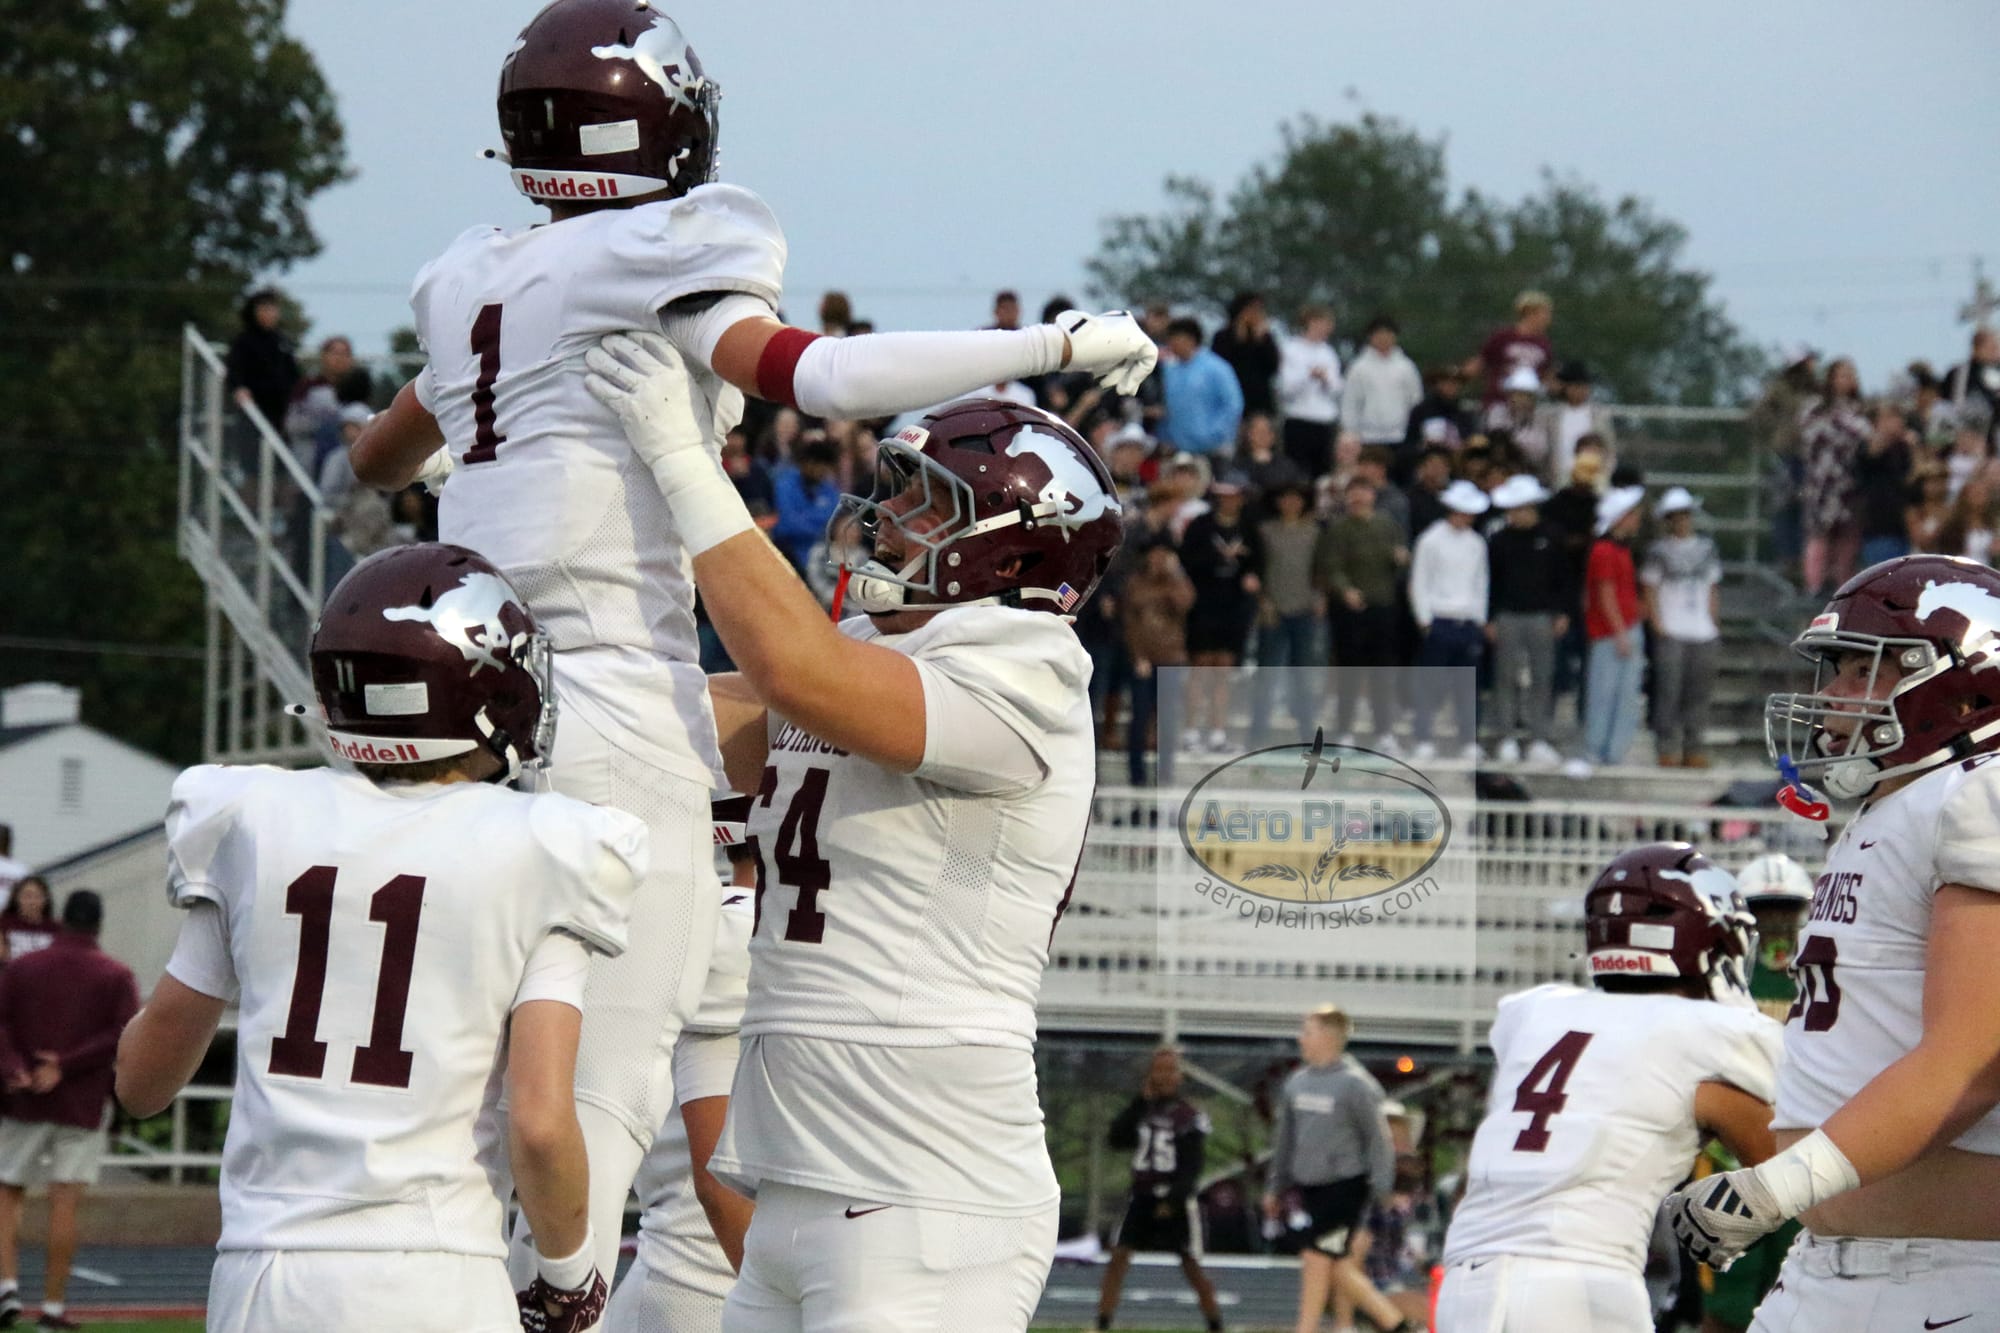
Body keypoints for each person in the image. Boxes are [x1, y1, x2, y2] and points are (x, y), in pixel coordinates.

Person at [347, 1, 1157, 1283]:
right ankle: (541, 1289)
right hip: (614, 705)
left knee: (470, 1100)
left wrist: (501, 448)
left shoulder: (470, 275)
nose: (885, 521)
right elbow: (818, 378)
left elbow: (379, 455)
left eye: (925, 507)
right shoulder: (662, 254)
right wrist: (1050, 344)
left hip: (487, 698)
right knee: (583, 1105)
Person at [583, 339, 1122, 1331]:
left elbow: (793, 671)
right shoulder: (869, 649)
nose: (889, 518)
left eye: (927, 503)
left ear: (1015, 550)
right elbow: (669, 720)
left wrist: (683, 463)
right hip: (801, 1178)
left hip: (926, 1182)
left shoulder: (1030, 666)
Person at [111, 544, 645, 1333]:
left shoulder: (253, 820)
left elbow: (141, 1082)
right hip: (431, 1271)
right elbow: (538, 1119)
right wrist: (569, 1277)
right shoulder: (544, 846)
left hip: (263, 1277)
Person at [1664, 554, 2000, 1328]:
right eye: (1836, 669)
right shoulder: (1895, 807)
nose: (1833, 695)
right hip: (1829, 1267)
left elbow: (1975, 1060)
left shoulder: (1978, 790)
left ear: (1963, 682)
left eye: (1862, 669)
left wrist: (1779, 1185)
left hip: (1942, 1276)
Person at [1435, 844, 1779, 1332]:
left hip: (1466, 1284)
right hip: (1579, 1284)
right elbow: (1796, 1173)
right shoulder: (1705, 1033)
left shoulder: (1537, 1014)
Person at [603, 854, 755, 1333]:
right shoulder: (741, 932)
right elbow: (720, 1184)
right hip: (714, 1289)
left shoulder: (679, 922)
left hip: (684, 1279)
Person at [0, 892, 138, 1332]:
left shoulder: (22, 967)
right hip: (81, 1101)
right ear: (98, 925)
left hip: (24, 1098)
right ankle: (53, 1308)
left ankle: (6, 1286)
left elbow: (2, 1022)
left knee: (7, 1191)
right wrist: (66, 1064)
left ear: (61, 919)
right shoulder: (116, 974)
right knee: (64, 1202)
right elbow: (122, 1033)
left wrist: (15, 1067)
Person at [1697, 853, 1815, 1333]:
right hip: (1730, 1155)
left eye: (1786, 909)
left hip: (1802, 1149)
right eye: (1765, 910)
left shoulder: (1820, 970)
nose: (1776, 922)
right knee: (1727, 1299)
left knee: (1793, 1289)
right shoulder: (1718, 974)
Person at [1264, 1006, 1418, 1333]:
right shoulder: (1296, 1084)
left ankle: (1306, 1329)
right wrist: (1275, 1187)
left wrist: (1381, 1188)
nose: (1301, 1039)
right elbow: (1285, 1140)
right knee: (1337, 1267)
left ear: (1329, 1037)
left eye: (1308, 1032)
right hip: (1311, 1190)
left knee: (1316, 1258)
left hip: (1345, 1189)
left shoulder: (1356, 1085)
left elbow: (1377, 1140)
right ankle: (1397, 1325)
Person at [1095, 1047, 1225, 1333]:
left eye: (1170, 1071)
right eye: (1159, 1070)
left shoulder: (1188, 1116)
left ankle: (1215, 1323)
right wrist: (1139, 1101)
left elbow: (1192, 1166)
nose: (1164, 1077)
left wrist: (1175, 1198)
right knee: (1118, 1257)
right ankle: (1102, 1323)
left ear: (1180, 1076)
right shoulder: (1142, 1109)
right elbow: (1116, 1138)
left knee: (1191, 1263)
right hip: (1142, 1195)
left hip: (1174, 1198)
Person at [1314, 475, 1406, 750]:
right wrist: (1345, 590)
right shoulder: (1338, 529)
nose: (1358, 498)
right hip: (1348, 609)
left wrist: (1401, 559)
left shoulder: (1387, 525)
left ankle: (1384, 732)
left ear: (1372, 496)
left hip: (1382, 605)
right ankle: (1345, 731)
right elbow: (1331, 565)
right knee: (1349, 670)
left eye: (1363, 492)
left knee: (1382, 671)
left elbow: (1399, 561)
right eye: (1353, 493)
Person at [1484, 475, 1569, 767]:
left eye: (1522, 508)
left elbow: (1562, 578)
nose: (1516, 513)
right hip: (1508, 615)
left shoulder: (1552, 536)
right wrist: (1491, 617)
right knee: (1505, 677)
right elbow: (1492, 582)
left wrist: (1561, 612)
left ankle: (1538, 738)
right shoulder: (1498, 540)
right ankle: (1506, 736)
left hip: (1541, 615)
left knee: (1542, 677)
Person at [1408, 480, 1492, 762]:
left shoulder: (1476, 543)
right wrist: (1424, 618)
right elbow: (1420, 580)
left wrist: (1479, 617)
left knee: (1468, 686)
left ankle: (1468, 739)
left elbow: (1481, 582)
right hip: (1439, 619)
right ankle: (1423, 738)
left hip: (1467, 621)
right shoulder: (1430, 540)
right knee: (1430, 684)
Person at [1643, 486, 1723, 768]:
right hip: (1672, 628)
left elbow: (1712, 587)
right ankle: (1666, 746)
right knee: (1669, 692)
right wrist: (1657, 623)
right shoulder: (1658, 552)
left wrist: (1713, 621)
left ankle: (1694, 747)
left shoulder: (1707, 549)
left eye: (1685, 515)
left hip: (1702, 630)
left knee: (1698, 694)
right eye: (1675, 516)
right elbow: (1650, 587)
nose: (1681, 521)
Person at [1179, 484, 1263, 753]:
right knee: (1200, 668)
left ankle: (1218, 732)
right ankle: (1191, 731)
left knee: (1223, 671)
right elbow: (1187, 560)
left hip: (1234, 607)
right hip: (1203, 605)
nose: (1229, 502)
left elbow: (1259, 562)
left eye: (1234, 497)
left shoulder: (1249, 528)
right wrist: (1216, 557)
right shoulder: (1200, 526)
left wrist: (1252, 577)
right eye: (1224, 497)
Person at [1579, 486, 1647, 772]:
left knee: (1624, 696)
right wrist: (1620, 631)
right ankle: (1596, 748)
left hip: (1625, 627)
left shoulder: (1622, 550)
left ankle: (1615, 751)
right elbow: (1605, 593)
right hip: (1611, 633)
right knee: (1604, 693)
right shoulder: (1604, 550)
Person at [1250, 484, 1322, 747]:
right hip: (1273, 609)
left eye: (1296, 498)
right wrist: (1263, 601)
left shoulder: (1314, 532)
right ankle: (1257, 733)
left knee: (1303, 674)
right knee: (1266, 673)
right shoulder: (1265, 531)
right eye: (1286, 498)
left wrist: (1318, 597)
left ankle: (1306, 732)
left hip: (1304, 607)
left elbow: (1320, 568)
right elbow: (1258, 567)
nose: (1291, 503)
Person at [1799, 358, 1868, 596]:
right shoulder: (1816, 408)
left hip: (1850, 482)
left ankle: (1843, 589)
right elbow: (1813, 434)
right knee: (1820, 534)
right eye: (1842, 375)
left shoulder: (1859, 408)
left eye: (1850, 375)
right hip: (1822, 482)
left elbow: (1864, 435)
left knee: (1848, 538)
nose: (1847, 380)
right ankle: (1815, 586)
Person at [1159, 318, 1245, 457]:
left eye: (1175, 339)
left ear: (1190, 339)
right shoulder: (1171, 370)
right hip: (1179, 447)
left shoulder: (1217, 368)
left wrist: (1215, 434)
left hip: (1213, 449)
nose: (1171, 345)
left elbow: (1233, 404)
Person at [1341, 317, 1424, 449]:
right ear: (1370, 337)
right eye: (1379, 334)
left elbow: (1415, 400)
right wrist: (1350, 432)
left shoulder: (1406, 367)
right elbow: (1350, 402)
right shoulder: (1358, 367)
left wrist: (1415, 431)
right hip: (1367, 436)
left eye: (1388, 333)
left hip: (1401, 435)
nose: (1383, 338)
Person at [1277, 305, 1341, 476]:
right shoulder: (1290, 349)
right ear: (1310, 323)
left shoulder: (1329, 353)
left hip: (1323, 420)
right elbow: (1285, 388)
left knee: (1321, 472)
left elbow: (1336, 389)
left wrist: (1325, 380)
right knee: (1295, 471)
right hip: (1298, 418)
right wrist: (1308, 376)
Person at [1468, 290, 1555, 407]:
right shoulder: (1504, 337)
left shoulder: (1543, 344)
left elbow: (1546, 375)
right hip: (1499, 401)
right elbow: (1480, 363)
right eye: (1544, 313)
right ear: (1530, 312)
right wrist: (1459, 377)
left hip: (1527, 405)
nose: (1548, 318)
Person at [0, 879, 58, 966]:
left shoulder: (55, 928)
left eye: (37, 896)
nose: (32, 902)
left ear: (46, 900)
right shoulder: (4, 923)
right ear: (16, 898)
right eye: (27, 896)